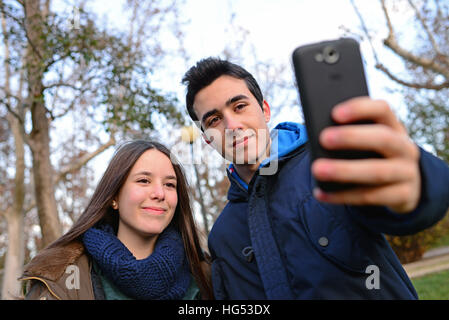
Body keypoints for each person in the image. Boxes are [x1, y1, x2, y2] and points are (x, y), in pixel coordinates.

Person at [181, 57, 449, 299]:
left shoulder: (332, 164)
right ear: (206, 138)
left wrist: (419, 180)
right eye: (214, 120)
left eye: (239, 106)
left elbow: (420, 199)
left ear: (265, 110)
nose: (231, 126)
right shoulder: (223, 237)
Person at [20, 140, 214, 300]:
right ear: (114, 197)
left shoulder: (206, 273)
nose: (159, 193)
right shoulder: (61, 275)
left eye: (170, 184)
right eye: (143, 181)